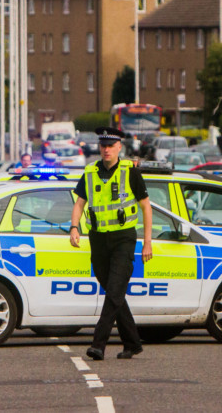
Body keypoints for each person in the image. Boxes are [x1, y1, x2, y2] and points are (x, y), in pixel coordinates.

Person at [70, 126, 153, 360]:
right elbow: (79, 203)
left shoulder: (130, 172)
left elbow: (146, 207)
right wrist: (74, 227)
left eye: (111, 146)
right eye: (103, 146)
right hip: (98, 240)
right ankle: (132, 343)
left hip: (124, 239)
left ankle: (98, 343)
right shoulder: (90, 172)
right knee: (114, 293)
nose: (106, 150)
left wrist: (147, 242)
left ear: (119, 147)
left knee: (114, 291)